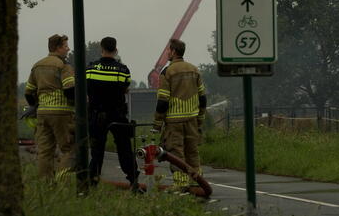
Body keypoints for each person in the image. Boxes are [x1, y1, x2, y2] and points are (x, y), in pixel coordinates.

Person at [86, 37, 140, 191]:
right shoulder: (123, 70)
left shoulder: (90, 69)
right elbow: (125, 88)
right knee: (125, 150)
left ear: (101, 49)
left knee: (97, 152)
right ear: (115, 50)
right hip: (117, 115)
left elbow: (87, 90)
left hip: (97, 115)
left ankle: (92, 184)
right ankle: (133, 182)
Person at [152, 39, 207, 189]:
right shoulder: (194, 70)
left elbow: (163, 101)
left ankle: (182, 186)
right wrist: (200, 119)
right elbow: (203, 98)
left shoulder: (167, 72)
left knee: (176, 155)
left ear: (174, 51)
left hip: (174, 122)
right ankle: (197, 183)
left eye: (169, 50)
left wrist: (157, 125)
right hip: (192, 120)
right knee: (193, 153)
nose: (167, 53)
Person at [24, 34, 75, 180]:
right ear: (58, 48)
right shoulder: (64, 66)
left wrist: (36, 106)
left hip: (42, 113)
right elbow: (70, 90)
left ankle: (46, 185)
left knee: (45, 151)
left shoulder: (37, 66)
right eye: (66, 46)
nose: (68, 49)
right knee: (68, 148)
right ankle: (63, 181)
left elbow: (29, 92)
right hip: (62, 113)